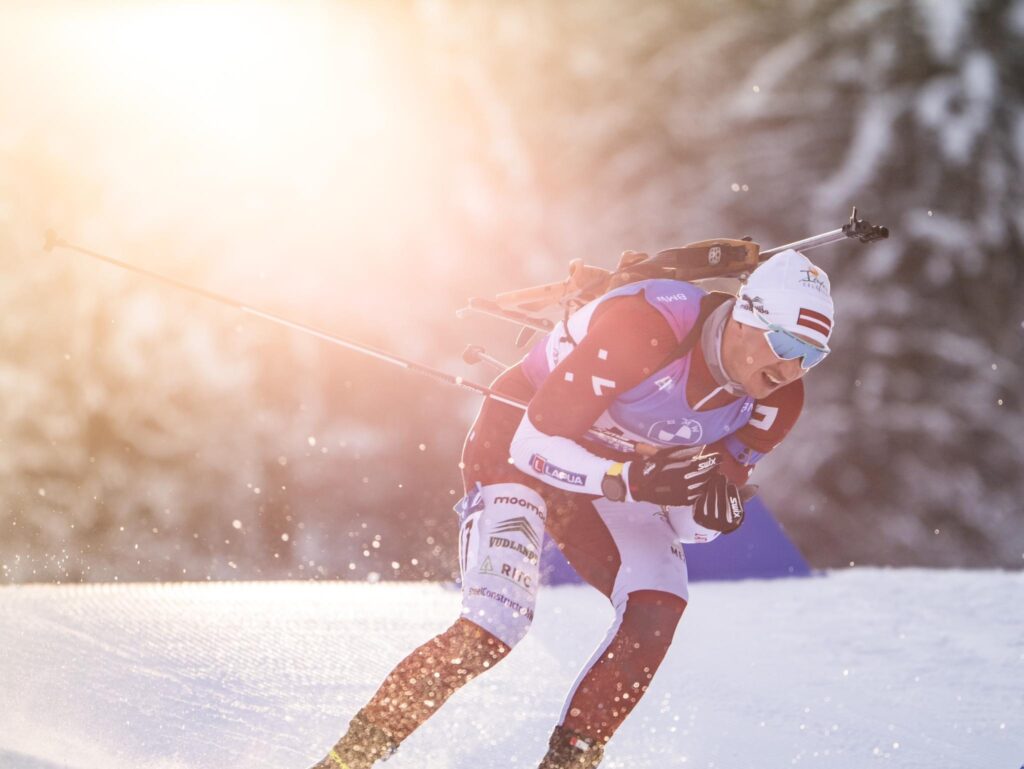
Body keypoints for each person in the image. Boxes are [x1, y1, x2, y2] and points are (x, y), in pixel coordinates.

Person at [310, 248, 835, 769]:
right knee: (496, 623)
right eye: (785, 343)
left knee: (659, 605)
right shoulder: (647, 329)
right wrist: (627, 477)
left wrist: (710, 518)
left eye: (811, 354)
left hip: (616, 473)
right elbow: (533, 446)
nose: (791, 368)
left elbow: (684, 523)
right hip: (521, 445)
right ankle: (348, 761)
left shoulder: (778, 402)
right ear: (746, 317)